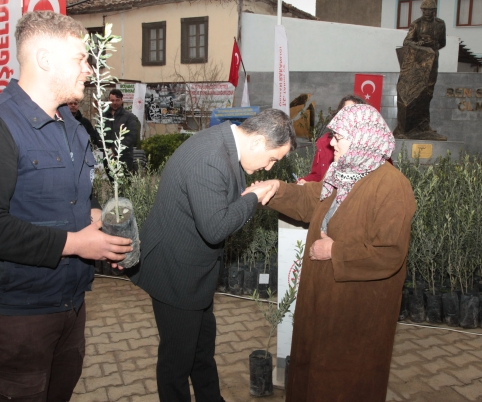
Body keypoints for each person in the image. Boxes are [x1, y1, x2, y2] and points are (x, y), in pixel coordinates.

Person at [0, 11, 133, 402]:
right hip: (11, 312)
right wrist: (77, 244)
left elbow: (77, 193)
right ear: (45, 59)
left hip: (68, 302)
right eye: (80, 59)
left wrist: (96, 215)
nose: (89, 69)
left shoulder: (71, 126)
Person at [127, 109, 296, 402]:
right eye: (272, 159)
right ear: (257, 141)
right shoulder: (210, 157)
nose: (270, 168)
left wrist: (244, 196)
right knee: (177, 363)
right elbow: (215, 228)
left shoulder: (224, 143)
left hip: (194, 272)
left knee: (201, 352)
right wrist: (253, 199)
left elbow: (215, 202)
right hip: (175, 274)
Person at [251, 104, 416, 401]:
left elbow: (389, 253)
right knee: (312, 369)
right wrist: (277, 189)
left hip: (356, 311)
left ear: (363, 138)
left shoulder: (393, 186)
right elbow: (308, 200)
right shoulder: (343, 174)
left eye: (339, 136)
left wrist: (335, 250)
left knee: (345, 378)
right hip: (323, 299)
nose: (331, 143)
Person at [393, 0, 447, 141]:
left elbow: (442, 43)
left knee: (428, 93)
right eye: (425, 10)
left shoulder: (440, 24)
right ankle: (407, 127)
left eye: (430, 10)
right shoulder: (416, 24)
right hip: (418, 62)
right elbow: (407, 42)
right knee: (416, 92)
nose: (427, 12)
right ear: (422, 10)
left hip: (432, 60)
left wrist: (432, 45)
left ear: (434, 10)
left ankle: (424, 125)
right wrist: (421, 44)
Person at [297, 95, 367, 184]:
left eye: (353, 113)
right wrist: (304, 183)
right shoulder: (325, 142)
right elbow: (318, 176)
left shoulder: (376, 153)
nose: (332, 143)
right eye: (344, 112)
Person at [104, 88, 139, 173]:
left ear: (122, 100)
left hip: (125, 158)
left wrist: (115, 149)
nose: (115, 103)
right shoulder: (103, 117)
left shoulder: (129, 117)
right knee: (112, 184)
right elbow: (98, 134)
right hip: (107, 158)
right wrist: (107, 149)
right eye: (112, 100)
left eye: (117, 100)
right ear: (109, 100)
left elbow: (132, 136)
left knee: (124, 184)